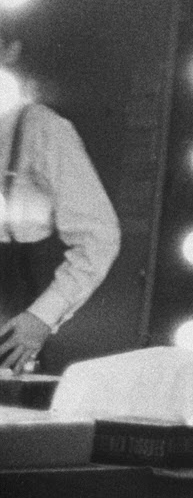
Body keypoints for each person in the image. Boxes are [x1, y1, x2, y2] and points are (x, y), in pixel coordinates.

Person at [0, 42, 121, 374]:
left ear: (9, 50)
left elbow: (98, 237)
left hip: (10, 306)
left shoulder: (42, 129)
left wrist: (41, 316)